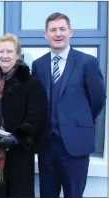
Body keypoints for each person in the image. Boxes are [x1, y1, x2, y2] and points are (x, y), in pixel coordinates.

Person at [32, 12, 106, 198]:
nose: (58, 34)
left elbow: (97, 100)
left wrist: (78, 121)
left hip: (76, 145)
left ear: (70, 32)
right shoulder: (38, 65)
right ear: (45, 34)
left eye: (62, 29)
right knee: (47, 194)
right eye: (53, 30)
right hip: (46, 145)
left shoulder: (87, 62)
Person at [0, 33, 47, 197]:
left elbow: (36, 117)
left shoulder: (30, 82)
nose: (5, 56)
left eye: (9, 51)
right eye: (1, 51)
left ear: (17, 54)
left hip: (18, 154)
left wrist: (15, 137)